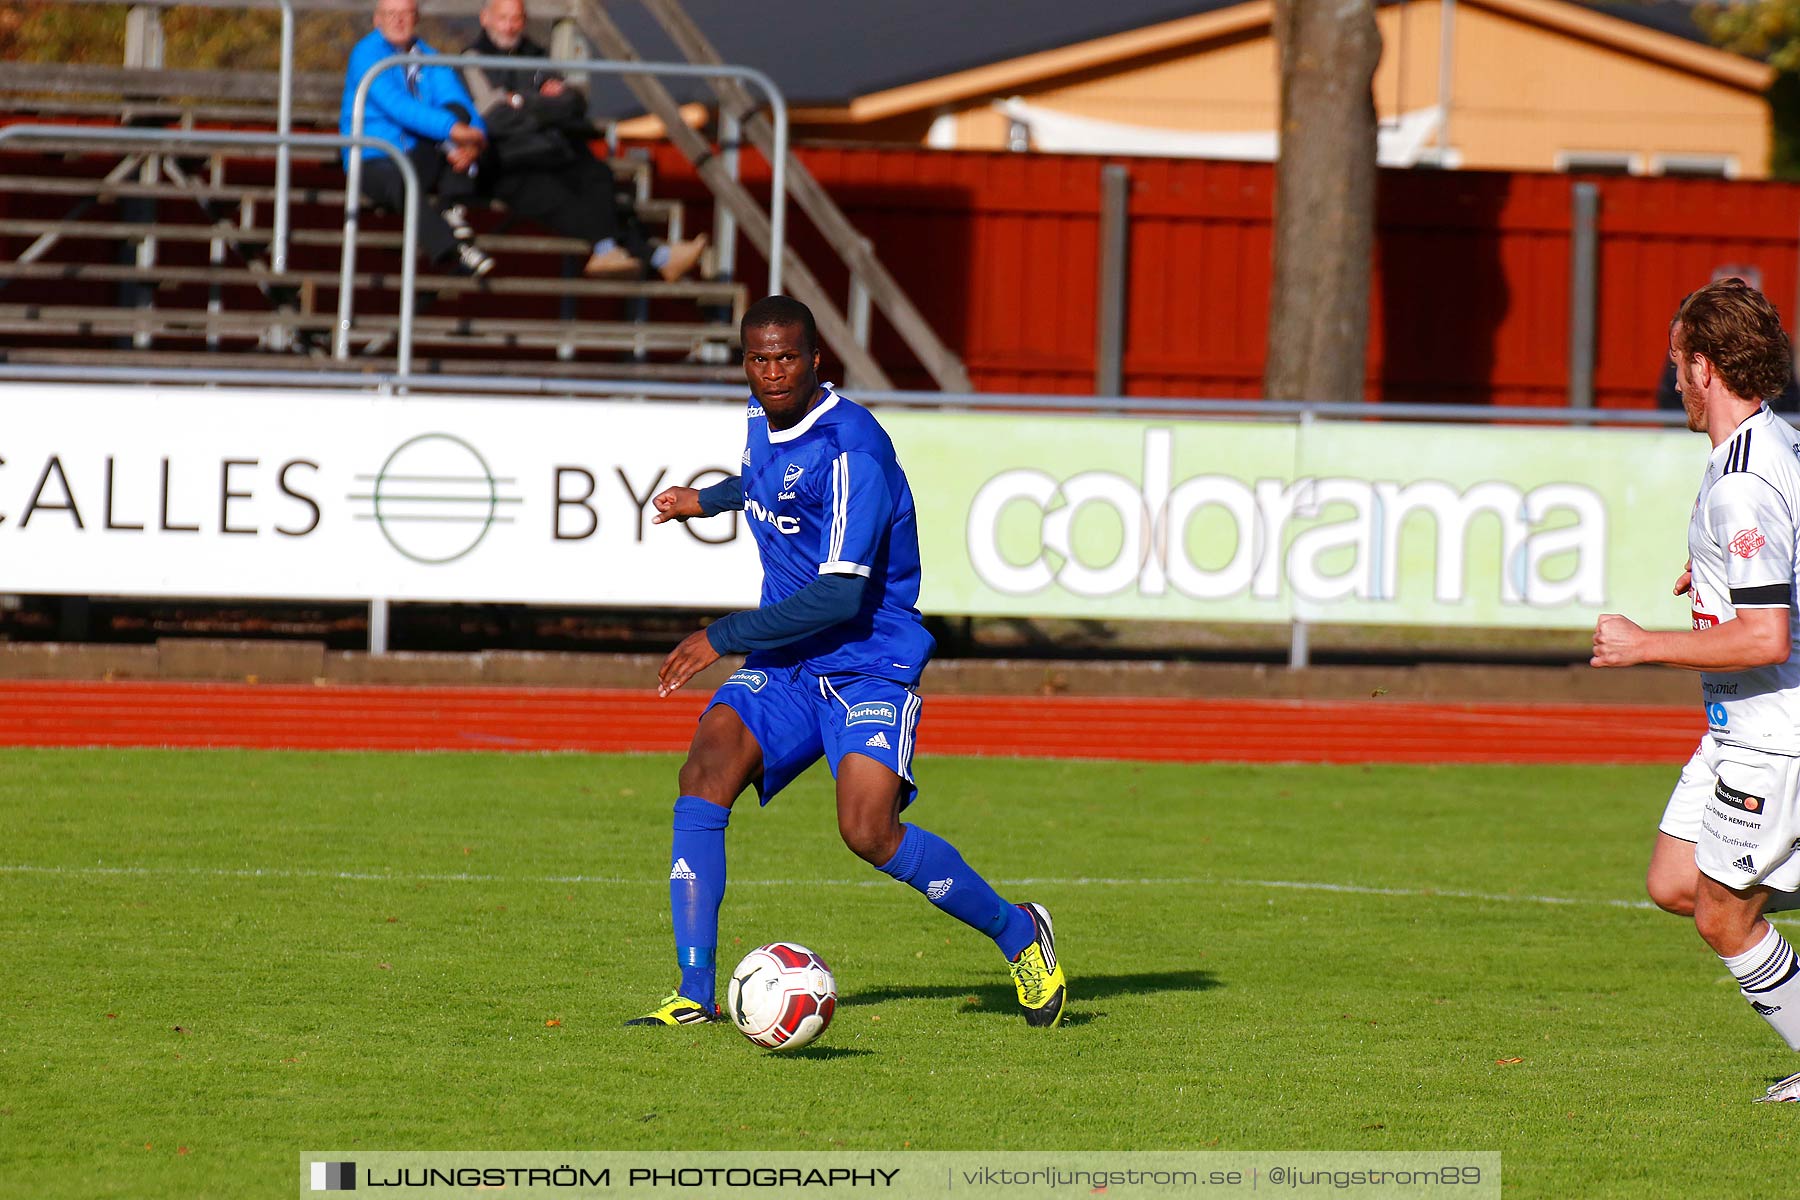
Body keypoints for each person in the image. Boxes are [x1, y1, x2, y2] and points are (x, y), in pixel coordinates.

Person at [625, 295, 1067, 1030]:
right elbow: (770, 480)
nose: (772, 373)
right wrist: (707, 500)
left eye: (787, 359)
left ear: (816, 359)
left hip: (865, 660)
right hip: (789, 660)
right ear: (746, 362)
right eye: (760, 360)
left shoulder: (854, 449)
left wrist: (723, 634)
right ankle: (693, 994)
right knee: (704, 771)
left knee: (868, 830)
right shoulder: (757, 415)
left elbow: (836, 598)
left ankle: (1020, 931)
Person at [1593, 277, 1800, 1103]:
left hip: (1772, 729)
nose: (1672, 378)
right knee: (1676, 881)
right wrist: (1717, 581)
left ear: (1706, 368)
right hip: (1735, 728)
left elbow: (1767, 637)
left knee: (1723, 914)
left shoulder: (1743, 482)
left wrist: (1646, 645)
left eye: (1677, 362)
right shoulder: (1770, 447)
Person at [459, 0, 707, 281]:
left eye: (516, 18)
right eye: (502, 18)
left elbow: (571, 104)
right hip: (508, 162)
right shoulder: (470, 61)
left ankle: (612, 251)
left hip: (553, 151)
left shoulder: (535, 55)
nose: (509, 26)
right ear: (485, 18)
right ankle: (649, 255)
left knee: (597, 175)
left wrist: (519, 101)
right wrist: (542, 105)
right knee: (561, 195)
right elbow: (492, 119)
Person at [340, 0, 496, 277]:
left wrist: (475, 141)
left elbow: (461, 104)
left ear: (417, 18)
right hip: (372, 157)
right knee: (403, 179)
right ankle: (454, 248)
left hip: (416, 151)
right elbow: (398, 107)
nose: (399, 20)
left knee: (456, 114)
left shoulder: (428, 56)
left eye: (406, 14)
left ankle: (452, 206)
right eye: (391, 14)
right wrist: (454, 131)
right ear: (378, 19)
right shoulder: (366, 54)